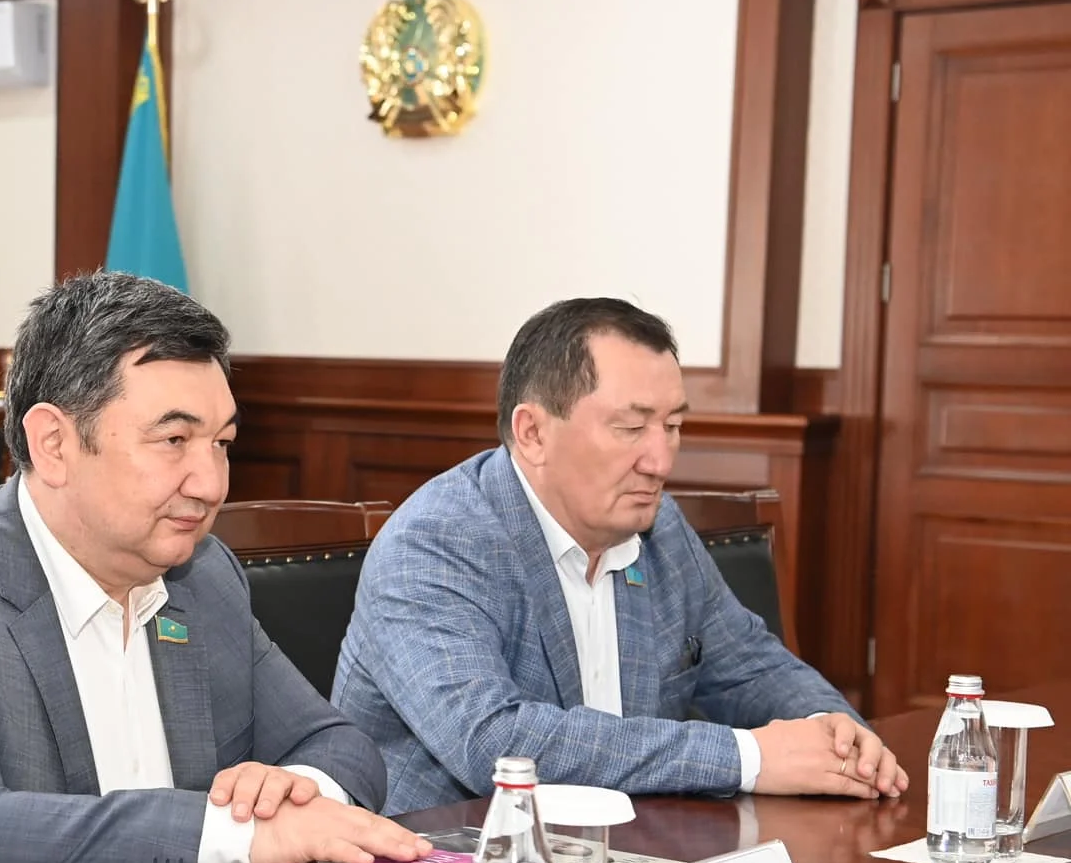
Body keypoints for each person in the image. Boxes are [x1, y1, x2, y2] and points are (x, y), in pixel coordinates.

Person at [0, 272, 427, 863]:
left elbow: (338, 744)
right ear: (54, 444)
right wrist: (235, 834)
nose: (210, 483)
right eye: (173, 441)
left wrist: (296, 796)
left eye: (222, 444)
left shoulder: (203, 577)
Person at [334, 296, 907, 816]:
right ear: (532, 433)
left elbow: (752, 666)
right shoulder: (435, 543)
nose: (661, 461)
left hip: (630, 851)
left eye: (673, 425)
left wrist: (833, 733)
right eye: (632, 427)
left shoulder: (658, 528)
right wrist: (747, 757)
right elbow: (496, 742)